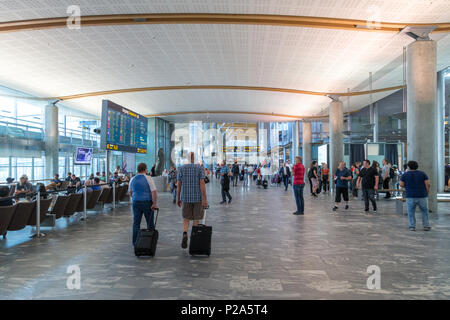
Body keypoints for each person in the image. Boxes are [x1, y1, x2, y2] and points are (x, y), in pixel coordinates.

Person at [177, 152, 208, 249]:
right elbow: (202, 184)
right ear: (194, 158)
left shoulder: (181, 168)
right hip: (198, 198)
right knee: (196, 218)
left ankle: (185, 233)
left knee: (186, 218)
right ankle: (194, 237)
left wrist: (178, 198)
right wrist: (205, 199)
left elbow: (178, 184)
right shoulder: (199, 168)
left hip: (185, 197)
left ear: (187, 158)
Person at [129, 163, 158, 247]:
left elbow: (130, 192)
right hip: (146, 202)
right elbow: (154, 191)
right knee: (150, 223)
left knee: (136, 223)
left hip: (136, 202)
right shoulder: (148, 178)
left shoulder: (132, 179)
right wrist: (154, 203)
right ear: (145, 169)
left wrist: (135, 198)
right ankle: (150, 242)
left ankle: (135, 243)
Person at [400, 161, 431, 231]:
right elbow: (428, 184)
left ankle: (412, 226)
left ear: (408, 167)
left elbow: (401, 184)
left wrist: (408, 186)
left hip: (410, 196)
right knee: (424, 211)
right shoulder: (422, 174)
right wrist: (427, 192)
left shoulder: (405, 174)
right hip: (422, 195)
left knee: (411, 212)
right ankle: (426, 225)